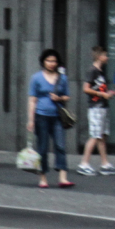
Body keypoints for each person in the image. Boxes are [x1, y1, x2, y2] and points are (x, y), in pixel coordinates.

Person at [26, 48, 75, 189]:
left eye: (54, 61)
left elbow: (67, 96)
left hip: (57, 117)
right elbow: (32, 100)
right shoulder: (36, 78)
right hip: (41, 116)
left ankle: (63, 178)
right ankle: (43, 178)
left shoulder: (62, 78)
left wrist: (59, 98)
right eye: (48, 60)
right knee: (42, 147)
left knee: (60, 145)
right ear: (43, 61)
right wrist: (30, 119)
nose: (52, 63)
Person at [78, 46, 115, 176]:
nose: (107, 57)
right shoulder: (93, 71)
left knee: (101, 136)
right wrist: (102, 95)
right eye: (105, 55)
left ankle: (105, 164)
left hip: (102, 106)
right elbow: (86, 88)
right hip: (96, 106)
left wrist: (109, 93)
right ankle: (83, 164)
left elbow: (99, 89)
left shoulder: (100, 71)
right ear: (99, 56)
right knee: (95, 135)